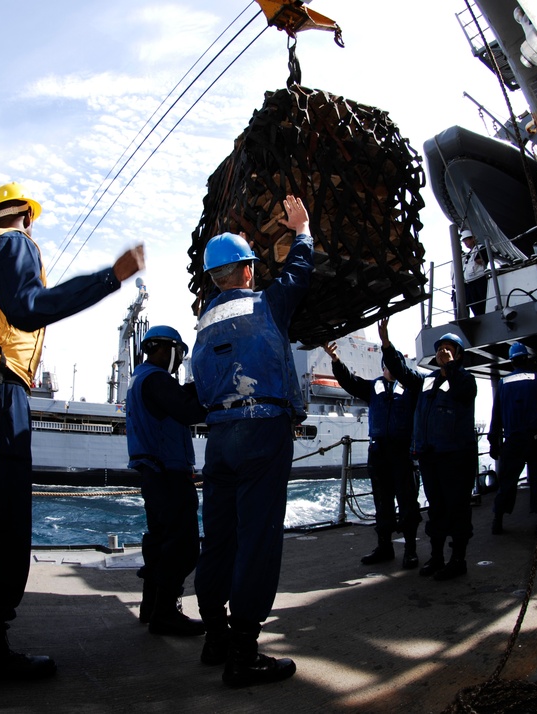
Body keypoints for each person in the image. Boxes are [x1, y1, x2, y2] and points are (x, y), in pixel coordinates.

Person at [0, 181, 144, 680]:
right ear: (27, 218)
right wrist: (109, 279)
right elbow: (30, 307)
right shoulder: (16, 245)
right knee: (3, 519)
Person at [192, 195, 312, 687]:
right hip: (262, 432)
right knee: (257, 541)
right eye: (252, 267)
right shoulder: (266, 304)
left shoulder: (202, 323)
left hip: (219, 438)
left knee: (218, 539)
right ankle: (243, 654)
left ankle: (215, 637)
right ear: (244, 271)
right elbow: (299, 272)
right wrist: (301, 230)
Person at [126, 325, 208, 637]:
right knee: (184, 546)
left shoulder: (141, 377)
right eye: (179, 353)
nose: (179, 360)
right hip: (169, 473)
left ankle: (151, 607)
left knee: (160, 541)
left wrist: (189, 388)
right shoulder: (157, 379)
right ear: (168, 349)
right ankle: (165, 612)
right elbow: (189, 412)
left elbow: (174, 399)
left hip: (153, 473)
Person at [324, 317, 422, 569]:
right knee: (382, 500)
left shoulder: (412, 388)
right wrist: (335, 361)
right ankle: (384, 546)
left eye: (392, 364)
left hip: (402, 451)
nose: (388, 368)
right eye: (386, 365)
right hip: (378, 451)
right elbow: (349, 382)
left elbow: (400, 369)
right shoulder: (372, 388)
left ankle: (410, 548)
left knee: (408, 501)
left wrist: (386, 342)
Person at [387, 332, 477, 581]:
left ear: (458, 355)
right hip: (430, 456)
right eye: (440, 350)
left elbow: (463, 393)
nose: (442, 353)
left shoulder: (466, 379)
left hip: (456, 457)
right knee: (436, 509)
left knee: (458, 508)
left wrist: (450, 367)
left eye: (449, 349)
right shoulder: (427, 380)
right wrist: (387, 344)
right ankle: (436, 556)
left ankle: (458, 559)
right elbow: (403, 372)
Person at [489, 342, 537, 534]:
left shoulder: (502, 383)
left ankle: (497, 520)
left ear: (512, 361)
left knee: (507, 482)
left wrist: (493, 442)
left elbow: (497, 415)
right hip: (536, 438)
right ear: (526, 358)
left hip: (513, 441)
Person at [460, 228, 488, 317]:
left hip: (480, 280)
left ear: (472, 239)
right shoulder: (469, 254)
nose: (465, 243)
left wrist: (477, 259)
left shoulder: (481, 248)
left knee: (483, 304)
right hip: (470, 283)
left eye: (466, 240)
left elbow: (484, 260)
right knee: (475, 306)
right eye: (464, 241)